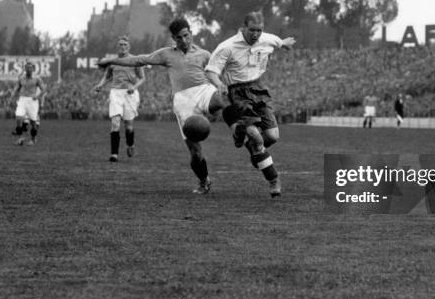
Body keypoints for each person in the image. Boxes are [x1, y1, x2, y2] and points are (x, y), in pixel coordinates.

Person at [98, 18, 225, 194]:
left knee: (220, 100)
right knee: (195, 152)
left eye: (186, 36)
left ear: (191, 33)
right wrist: (111, 61)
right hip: (183, 102)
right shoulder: (166, 54)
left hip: (203, 90)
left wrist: (221, 84)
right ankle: (204, 181)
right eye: (179, 38)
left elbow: (216, 73)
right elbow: (139, 60)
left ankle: (236, 127)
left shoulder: (204, 55)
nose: (184, 40)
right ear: (174, 38)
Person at [205, 11, 296, 198]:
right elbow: (211, 71)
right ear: (243, 28)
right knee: (256, 137)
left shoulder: (267, 38)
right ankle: (273, 179)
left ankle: (245, 139)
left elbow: (278, 42)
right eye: (252, 30)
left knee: (272, 136)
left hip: (259, 89)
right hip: (238, 92)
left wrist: (285, 43)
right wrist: (219, 84)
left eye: (259, 30)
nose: (256, 34)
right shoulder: (227, 47)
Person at [94, 36, 145, 162]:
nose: (122, 47)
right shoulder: (113, 61)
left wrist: (134, 86)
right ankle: (114, 154)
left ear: (129, 46)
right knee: (115, 122)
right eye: (121, 44)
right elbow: (107, 77)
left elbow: (143, 78)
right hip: (116, 92)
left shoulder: (135, 60)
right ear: (118, 46)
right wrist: (100, 85)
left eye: (125, 45)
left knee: (128, 125)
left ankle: (130, 144)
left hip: (130, 94)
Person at [12, 61, 46, 146]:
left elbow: (44, 89)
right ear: (25, 69)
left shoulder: (37, 78)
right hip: (22, 99)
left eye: (30, 68)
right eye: (27, 68)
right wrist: (14, 92)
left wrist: (38, 96)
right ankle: (20, 139)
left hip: (32, 101)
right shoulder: (21, 78)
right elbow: (18, 86)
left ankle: (33, 139)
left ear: (33, 69)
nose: (28, 69)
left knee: (33, 122)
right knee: (18, 117)